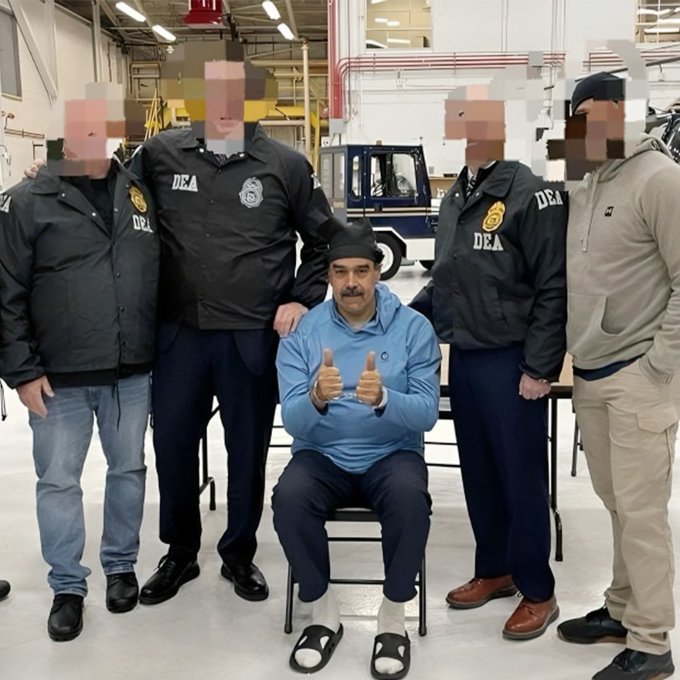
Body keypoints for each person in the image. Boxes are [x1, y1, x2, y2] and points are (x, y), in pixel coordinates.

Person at [128, 45, 332, 605]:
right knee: (172, 444)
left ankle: (239, 553)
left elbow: (324, 242)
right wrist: (55, 171)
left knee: (247, 450)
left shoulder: (286, 165)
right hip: (179, 335)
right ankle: (180, 552)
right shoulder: (160, 154)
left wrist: (300, 298)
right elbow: (115, 201)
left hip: (251, 337)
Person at [0, 84, 159, 641]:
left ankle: (121, 566)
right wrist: (21, 371)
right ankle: (67, 585)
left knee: (129, 471)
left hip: (129, 371)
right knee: (59, 482)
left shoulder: (137, 191)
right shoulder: (28, 201)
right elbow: (7, 292)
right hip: (57, 377)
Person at [411, 82, 567, 640]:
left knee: (520, 477)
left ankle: (538, 590)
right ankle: (495, 568)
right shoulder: (456, 195)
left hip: (512, 360)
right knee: (479, 472)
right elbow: (446, 279)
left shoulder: (530, 194)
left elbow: (554, 286)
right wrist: (401, 318)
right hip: (467, 356)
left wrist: (539, 367)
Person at [272, 218, 440, 679]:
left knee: (410, 499)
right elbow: (292, 421)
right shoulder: (303, 333)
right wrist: (316, 397)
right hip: (322, 456)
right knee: (288, 498)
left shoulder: (414, 329)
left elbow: (427, 414)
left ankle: (392, 618)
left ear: (378, 272)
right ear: (328, 276)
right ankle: (323, 612)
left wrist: (385, 398)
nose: (351, 282)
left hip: (392, 454)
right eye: (341, 271)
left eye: (361, 271)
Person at [556, 71, 680, 680]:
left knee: (642, 513)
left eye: (595, 117)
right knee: (615, 504)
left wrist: (660, 366)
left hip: (638, 375)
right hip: (592, 371)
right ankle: (622, 609)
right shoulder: (585, 181)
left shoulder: (661, 180)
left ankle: (652, 642)